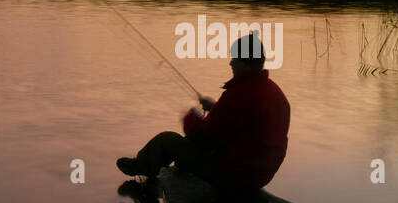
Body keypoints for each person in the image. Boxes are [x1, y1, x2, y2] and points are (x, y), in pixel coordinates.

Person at [117, 32, 290, 191]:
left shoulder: (238, 94)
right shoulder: (275, 92)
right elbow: (240, 124)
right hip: (261, 175)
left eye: (234, 59)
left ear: (245, 63)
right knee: (193, 145)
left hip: (236, 176)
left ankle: (141, 167)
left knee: (167, 140)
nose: (231, 63)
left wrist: (191, 117)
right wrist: (215, 108)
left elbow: (203, 138)